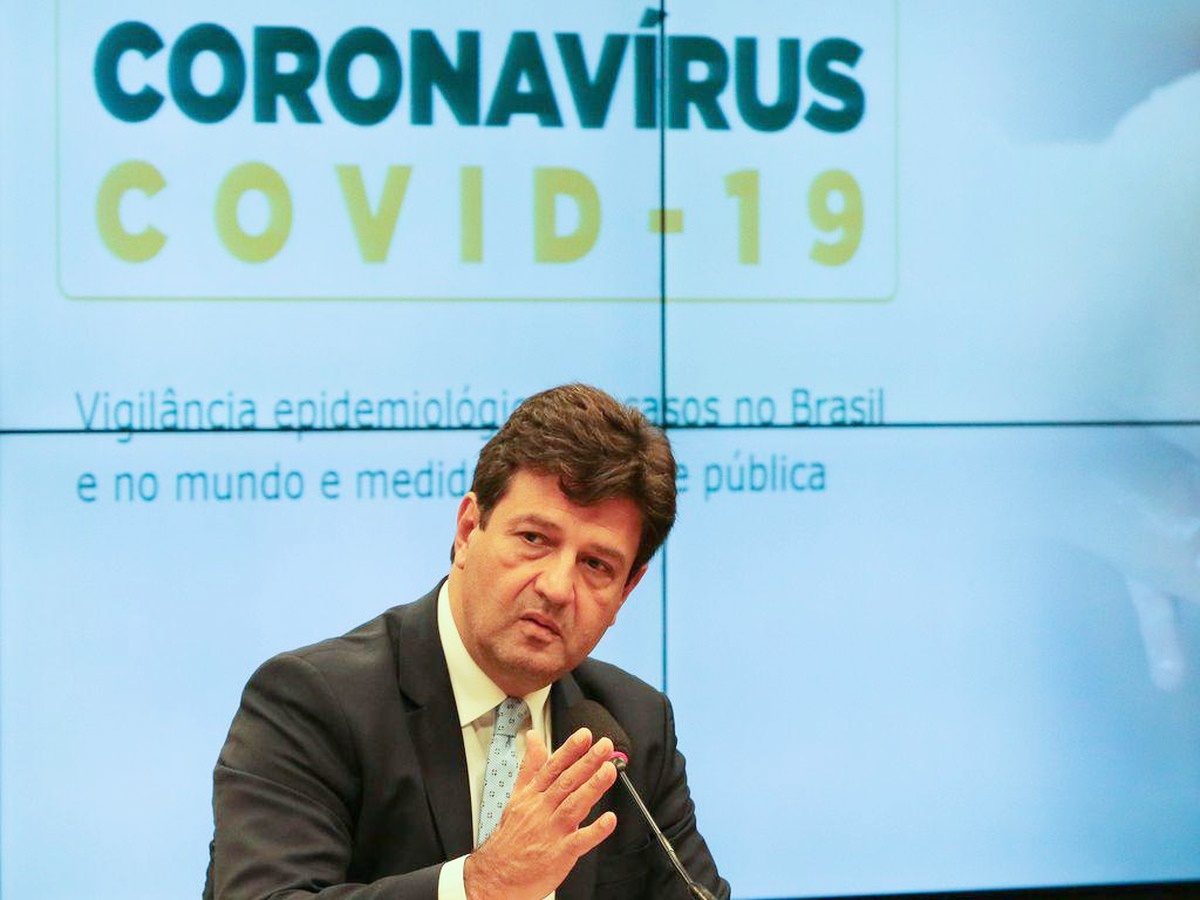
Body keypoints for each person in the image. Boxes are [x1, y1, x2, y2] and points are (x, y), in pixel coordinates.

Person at [203, 383, 730, 899]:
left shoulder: (633, 728)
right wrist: (479, 887)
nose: (556, 588)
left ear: (625, 591)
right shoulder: (314, 701)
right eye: (534, 539)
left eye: (595, 564)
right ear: (467, 529)